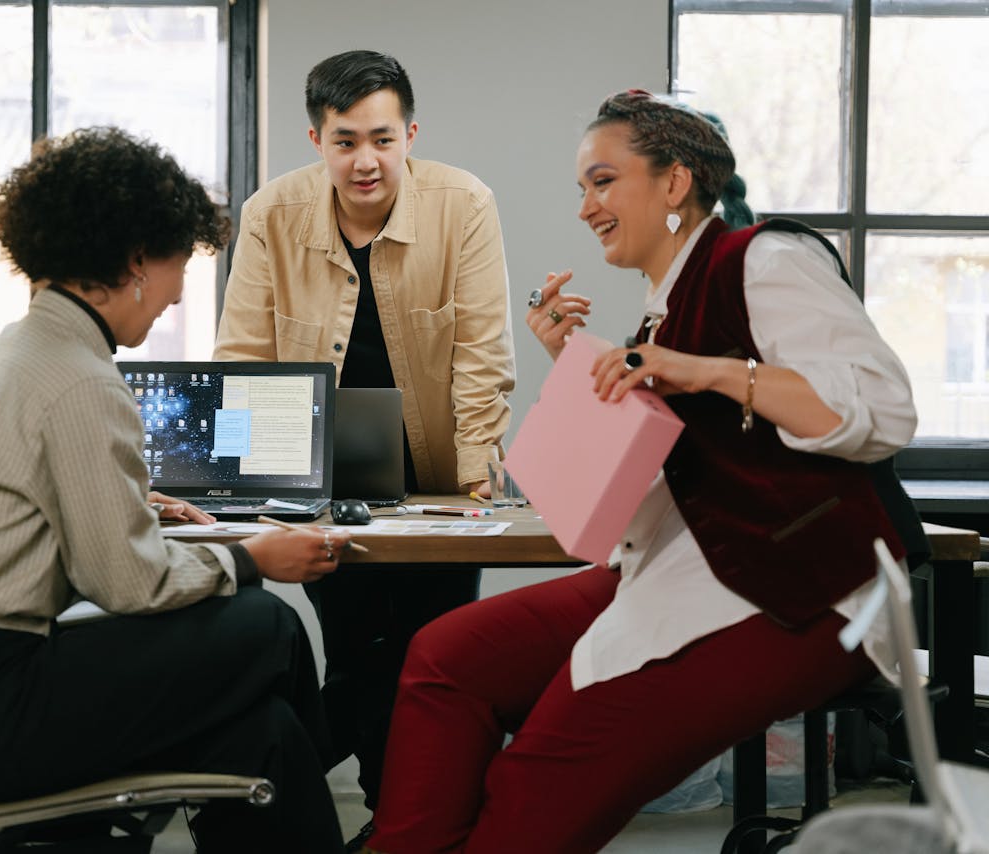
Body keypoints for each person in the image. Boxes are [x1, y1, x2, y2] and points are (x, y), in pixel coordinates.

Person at [364, 89, 920, 853]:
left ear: (675, 183)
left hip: (799, 591)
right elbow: (646, 492)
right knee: (444, 658)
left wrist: (705, 372)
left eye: (602, 181)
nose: (586, 207)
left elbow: (883, 412)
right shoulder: (662, 308)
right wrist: (576, 364)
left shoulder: (763, 259)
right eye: (581, 190)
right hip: (683, 565)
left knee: (536, 779)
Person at [0, 127, 352, 854]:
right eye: (179, 264)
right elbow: (128, 582)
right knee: (267, 624)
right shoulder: (82, 379)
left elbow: (14, 497)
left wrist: (124, 501)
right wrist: (252, 557)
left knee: (260, 738)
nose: (178, 291)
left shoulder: (11, 354)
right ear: (136, 262)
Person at [212, 49, 516, 845]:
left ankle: (366, 809)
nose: (366, 160)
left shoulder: (465, 205)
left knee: (434, 653)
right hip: (318, 477)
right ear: (317, 140)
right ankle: (401, 826)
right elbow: (242, 355)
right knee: (357, 647)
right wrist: (242, 486)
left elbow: (483, 354)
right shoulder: (270, 213)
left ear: (410, 133)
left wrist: (479, 471)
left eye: (382, 138)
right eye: (345, 141)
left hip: (442, 480)